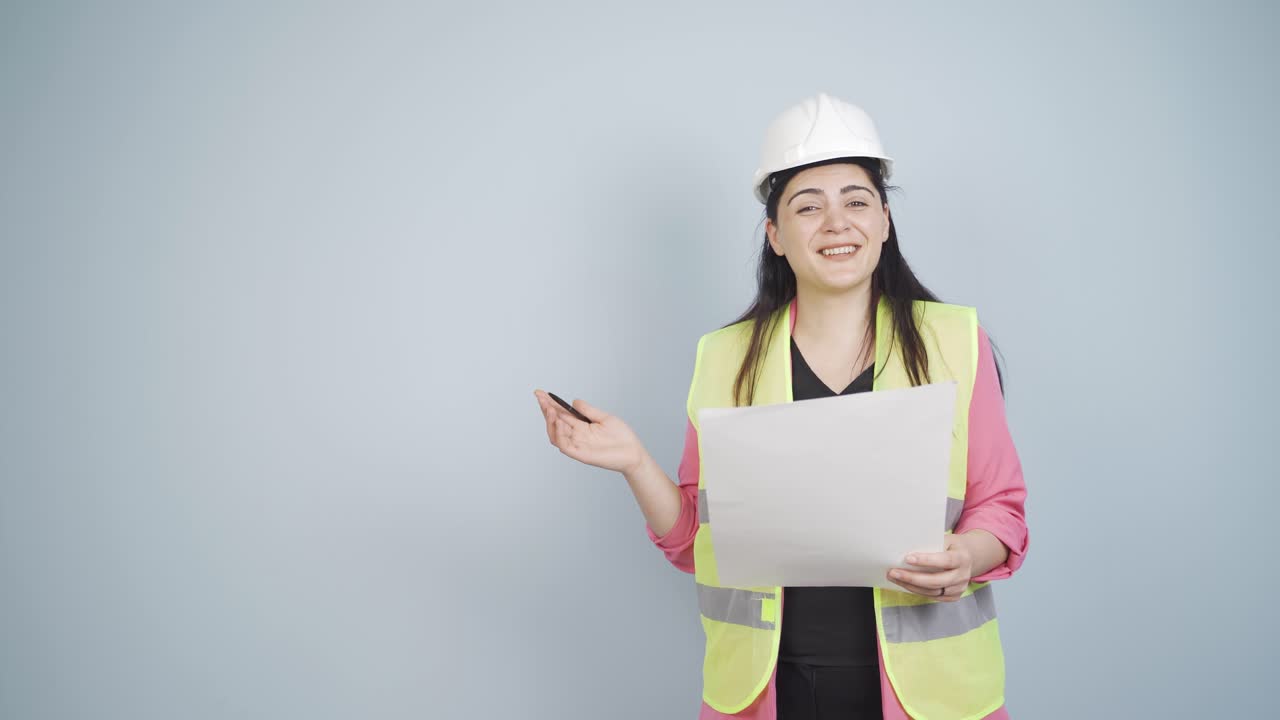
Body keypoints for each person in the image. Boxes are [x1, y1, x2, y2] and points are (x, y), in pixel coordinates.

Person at [533, 92, 1028, 720]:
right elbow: (695, 541)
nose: (837, 223)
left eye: (856, 201)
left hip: (932, 695)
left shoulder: (955, 339)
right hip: (768, 692)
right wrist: (634, 462)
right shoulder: (724, 357)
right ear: (775, 235)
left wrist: (967, 557)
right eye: (808, 207)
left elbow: (1000, 509)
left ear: (884, 221)